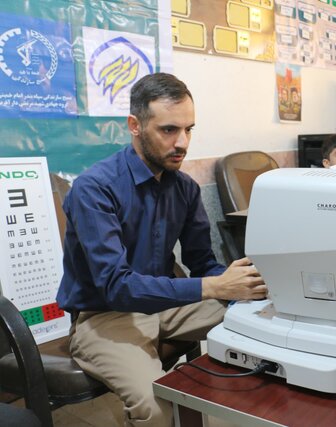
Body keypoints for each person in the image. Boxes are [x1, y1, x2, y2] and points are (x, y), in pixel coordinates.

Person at [56, 73, 268, 426]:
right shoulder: (95, 189)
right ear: (135, 126)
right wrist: (215, 286)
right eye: (169, 130)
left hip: (167, 305)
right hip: (106, 315)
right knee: (155, 406)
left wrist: (247, 286)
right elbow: (117, 287)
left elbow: (202, 263)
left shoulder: (184, 188)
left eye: (189, 130)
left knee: (266, 320)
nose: (182, 142)